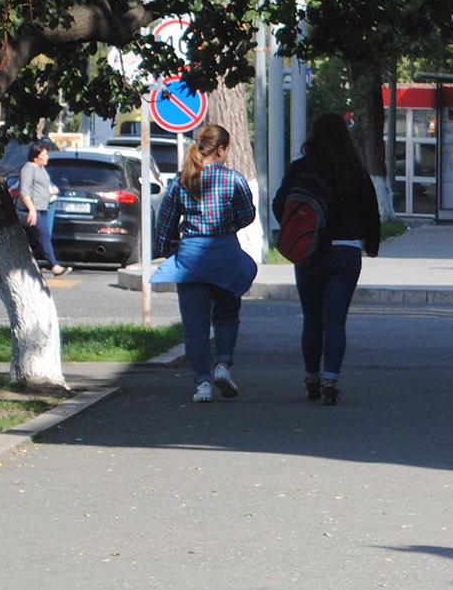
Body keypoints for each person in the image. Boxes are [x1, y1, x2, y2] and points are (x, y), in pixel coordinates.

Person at [273, 113, 382, 405]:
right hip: (345, 250)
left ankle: (311, 378)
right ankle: (331, 381)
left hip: (308, 251)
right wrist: (371, 245)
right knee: (335, 321)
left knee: (312, 320)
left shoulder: (301, 169)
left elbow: (279, 204)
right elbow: (371, 211)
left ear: (313, 137)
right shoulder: (354, 171)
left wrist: (294, 232)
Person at [154, 125, 259, 403]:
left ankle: (202, 384)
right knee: (226, 314)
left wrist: (167, 251)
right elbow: (248, 215)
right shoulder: (233, 179)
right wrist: (227, 227)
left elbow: (164, 223)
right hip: (224, 255)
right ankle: (223, 365)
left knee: (195, 325)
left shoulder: (181, 180)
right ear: (222, 150)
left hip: (191, 259)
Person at [16, 142, 71, 277]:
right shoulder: (28, 168)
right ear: (35, 157)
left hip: (42, 207)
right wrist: (31, 210)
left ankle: (26, 266)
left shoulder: (41, 168)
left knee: (38, 237)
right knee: (44, 235)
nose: (47, 157)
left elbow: (41, 187)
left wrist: (51, 191)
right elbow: (24, 192)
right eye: (44, 155)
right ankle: (55, 266)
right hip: (31, 210)